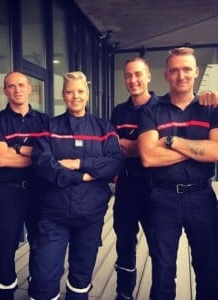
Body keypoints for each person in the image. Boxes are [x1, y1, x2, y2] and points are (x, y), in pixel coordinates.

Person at [28, 71, 124, 300]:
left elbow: (113, 163)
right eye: (70, 91)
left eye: (80, 91)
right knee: (44, 274)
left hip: (90, 216)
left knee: (81, 275)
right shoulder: (49, 127)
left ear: (88, 94)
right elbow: (43, 166)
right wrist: (83, 176)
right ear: (63, 95)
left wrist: (78, 163)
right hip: (53, 215)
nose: (75, 96)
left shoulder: (105, 128)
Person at [138, 47, 218, 300]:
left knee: (208, 266)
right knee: (163, 269)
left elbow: (217, 152)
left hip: (202, 197)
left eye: (186, 69)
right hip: (163, 198)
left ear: (196, 72)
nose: (180, 75)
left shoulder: (211, 108)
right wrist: (198, 150)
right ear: (166, 75)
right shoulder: (152, 110)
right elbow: (149, 157)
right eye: (174, 70)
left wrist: (171, 140)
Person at [0, 71, 49, 300]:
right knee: (6, 246)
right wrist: (36, 154)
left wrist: (15, 147)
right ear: (5, 91)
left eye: (21, 85)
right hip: (9, 192)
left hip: (39, 192)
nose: (17, 90)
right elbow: (2, 159)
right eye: (11, 86)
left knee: (40, 244)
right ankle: (4, 294)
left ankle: (37, 291)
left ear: (30, 88)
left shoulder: (44, 121)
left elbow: (49, 156)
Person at [110, 57, 158, 300]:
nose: (133, 80)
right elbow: (112, 148)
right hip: (127, 185)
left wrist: (132, 146)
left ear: (148, 76)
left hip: (156, 187)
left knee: (160, 246)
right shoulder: (119, 111)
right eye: (128, 75)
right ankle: (124, 292)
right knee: (124, 242)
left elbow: (157, 151)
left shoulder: (163, 107)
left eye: (138, 74)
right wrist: (147, 145)